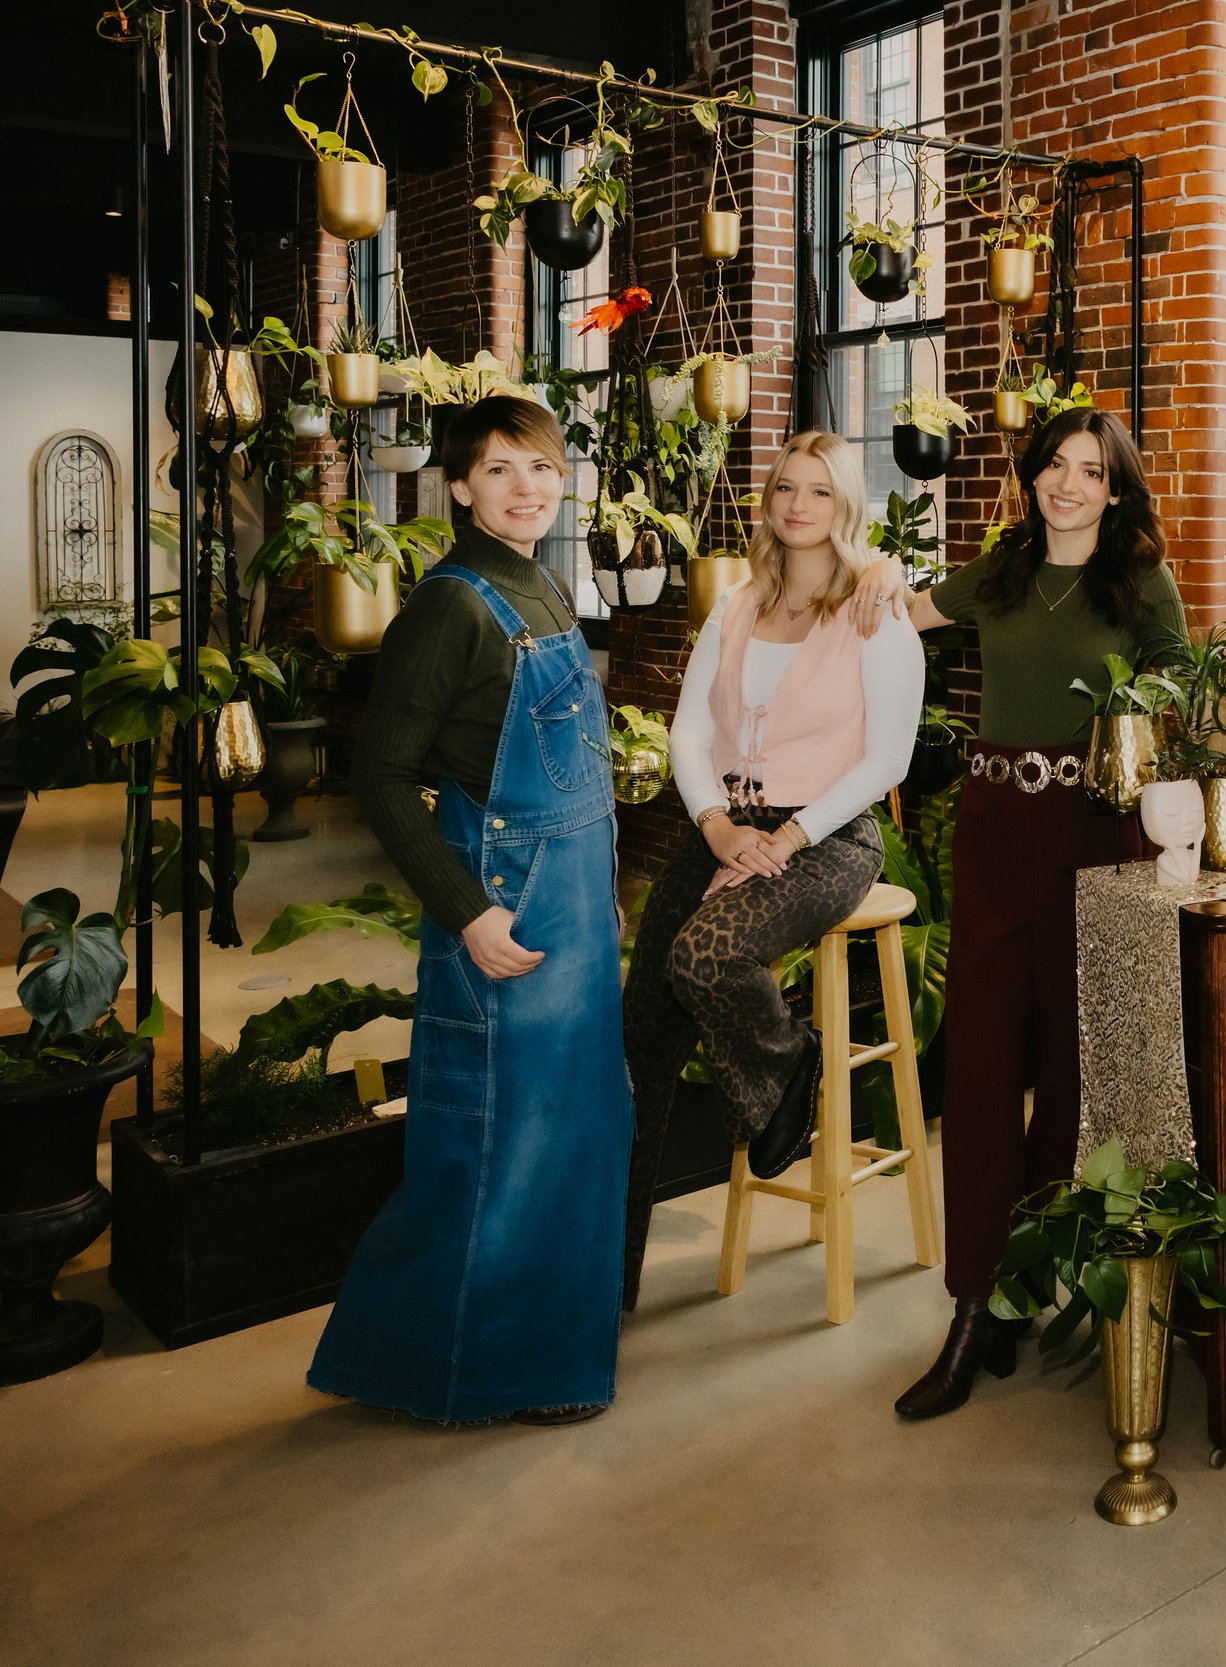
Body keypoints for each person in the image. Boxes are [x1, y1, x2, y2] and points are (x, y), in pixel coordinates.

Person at [851, 407, 1188, 1419]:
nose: (1068, 484)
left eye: (1090, 471)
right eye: (1053, 466)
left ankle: (1017, 1281)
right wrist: (871, 571)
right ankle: (969, 1301)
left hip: (1094, 829)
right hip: (995, 826)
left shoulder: (1137, 580)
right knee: (986, 1060)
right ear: (1030, 475)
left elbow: (1191, 687)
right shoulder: (996, 573)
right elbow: (894, 611)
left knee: (1074, 1065)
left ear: (1116, 488)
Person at [309, 395, 631, 1426]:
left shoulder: (540, 583)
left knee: (572, 1133)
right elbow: (381, 772)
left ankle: (542, 1357)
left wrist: (607, 899)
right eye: (499, 470)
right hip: (503, 911)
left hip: (573, 911)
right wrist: (467, 914)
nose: (527, 487)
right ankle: (440, 1365)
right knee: (492, 1141)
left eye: (538, 466)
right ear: (457, 485)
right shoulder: (453, 604)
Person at [618, 432, 922, 1308]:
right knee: (642, 1046)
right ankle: (607, 1282)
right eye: (786, 487)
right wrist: (713, 823)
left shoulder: (876, 611)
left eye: (820, 492)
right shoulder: (738, 605)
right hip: (724, 828)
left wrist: (788, 838)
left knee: (705, 956)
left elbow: (889, 759)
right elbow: (688, 732)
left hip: (826, 837)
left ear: (846, 506)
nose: (798, 505)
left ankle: (791, 1066)